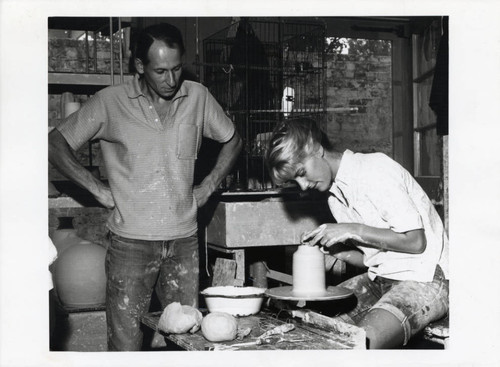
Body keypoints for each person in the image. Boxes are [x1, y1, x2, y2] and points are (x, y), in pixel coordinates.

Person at [49, 23, 242, 351]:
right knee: (126, 345)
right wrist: (96, 189)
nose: (171, 80)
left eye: (177, 68)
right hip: (130, 245)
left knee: (185, 341)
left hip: (184, 242)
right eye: (161, 71)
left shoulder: (197, 96)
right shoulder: (111, 102)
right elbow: (56, 144)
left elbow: (233, 140)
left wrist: (209, 185)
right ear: (140, 66)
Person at [266, 117, 448, 349]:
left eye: (301, 172)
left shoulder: (374, 169)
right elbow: (374, 259)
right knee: (312, 332)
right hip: (380, 279)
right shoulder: (336, 199)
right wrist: (340, 252)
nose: (302, 186)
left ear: (316, 147)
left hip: (426, 278)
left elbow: (415, 242)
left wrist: (352, 230)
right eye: (295, 180)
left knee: (357, 345)